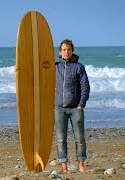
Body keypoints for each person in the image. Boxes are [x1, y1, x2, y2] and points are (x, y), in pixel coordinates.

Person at [55, 39, 90, 173]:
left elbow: (85, 86)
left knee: (79, 138)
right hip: (59, 108)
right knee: (60, 139)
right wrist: (18, 69)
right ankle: (64, 167)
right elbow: (38, 74)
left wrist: (81, 104)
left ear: (72, 51)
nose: (66, 52)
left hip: (76, 108)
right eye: (64, 49)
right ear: (60, 51)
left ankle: (81, 165)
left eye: (69, 49)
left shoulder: (79, 67)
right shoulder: (55, 66)